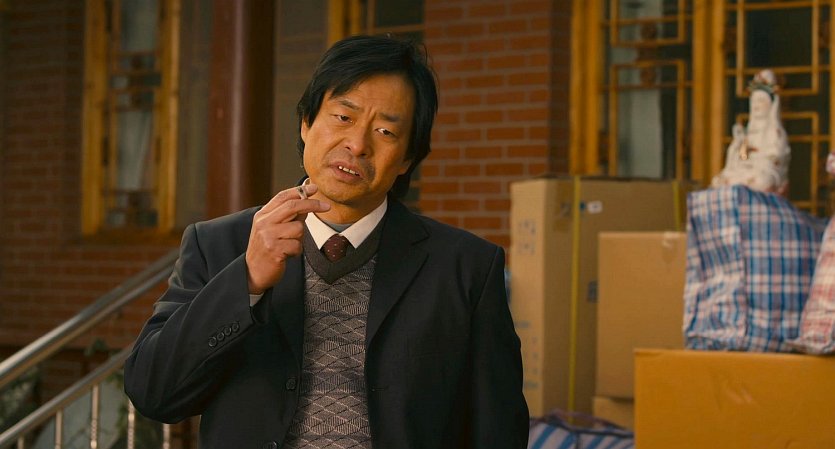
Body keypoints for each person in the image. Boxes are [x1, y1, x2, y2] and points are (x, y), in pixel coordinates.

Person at [124, 34, 529, 449]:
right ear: (306, 122)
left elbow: (498, 429)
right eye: (343, 117)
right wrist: (245, 281)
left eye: (386, 130)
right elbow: (154, 394)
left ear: (408, 159)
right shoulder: (218, 244)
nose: (357, 144)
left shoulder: (466, 267)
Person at [711, 69, 791, 195]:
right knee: (719, 180)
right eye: (754, 101)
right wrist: (738, 144)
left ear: (771, 105)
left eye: (761, 101)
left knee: (762, 181)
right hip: (746, 170)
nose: (756, 106)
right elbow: (742, 157)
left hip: (764, 171)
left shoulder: (775, 131)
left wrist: (757, 160)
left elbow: (775, 160)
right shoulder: (749, 132)